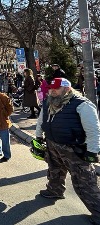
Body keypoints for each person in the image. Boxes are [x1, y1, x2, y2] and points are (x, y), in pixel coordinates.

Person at [35, 77, 100, 225]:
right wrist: (38, 137)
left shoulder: (82, 104)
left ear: (67, 89)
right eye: (50, 89)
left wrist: (92, 151)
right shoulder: (49, 102)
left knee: (84, 183)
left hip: (74, 150)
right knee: (55, 170)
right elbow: (41, 120)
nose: (52, 91)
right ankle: (55, 190)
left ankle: (98, 212)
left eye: (55, 89)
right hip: (52, 144)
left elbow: (94, 130)